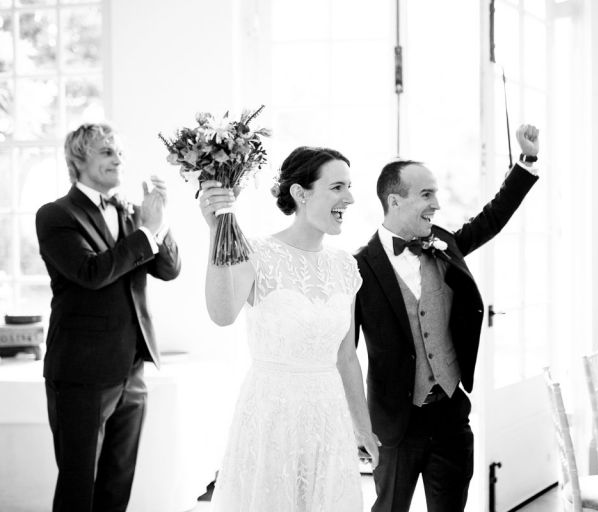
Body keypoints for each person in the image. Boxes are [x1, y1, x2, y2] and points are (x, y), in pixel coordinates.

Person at [354, 125, 540, 512]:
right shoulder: (357, 268)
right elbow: (342, 354)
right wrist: (355, 424)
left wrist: (527, 163)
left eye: (436, 192)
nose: (436, 203)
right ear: (395, 200)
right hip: (395, 426)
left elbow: (491, 219)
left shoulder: (444, 243)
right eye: (426, 194)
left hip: (451, 416)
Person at [199, 146, 380, 511]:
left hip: (328, 416)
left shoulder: (346, 267)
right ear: (301, 193)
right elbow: (221, 314)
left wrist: (362, 427)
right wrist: (217, 232)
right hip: (271, 416)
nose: (350, 197)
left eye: (349, 186)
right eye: (337, 187)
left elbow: (346, 356)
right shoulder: (256, 253)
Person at [35, 123, 181, 512]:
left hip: (132, 369)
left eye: (120, 152)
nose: (119, 160)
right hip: (81, 374)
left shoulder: (131, 213)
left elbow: (169, 270)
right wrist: (146, 232)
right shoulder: (55, 215)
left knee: (118, 484)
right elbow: (91, 273)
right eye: (106, 152)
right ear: (78, 159)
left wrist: (158, 223)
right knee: (78, 487)